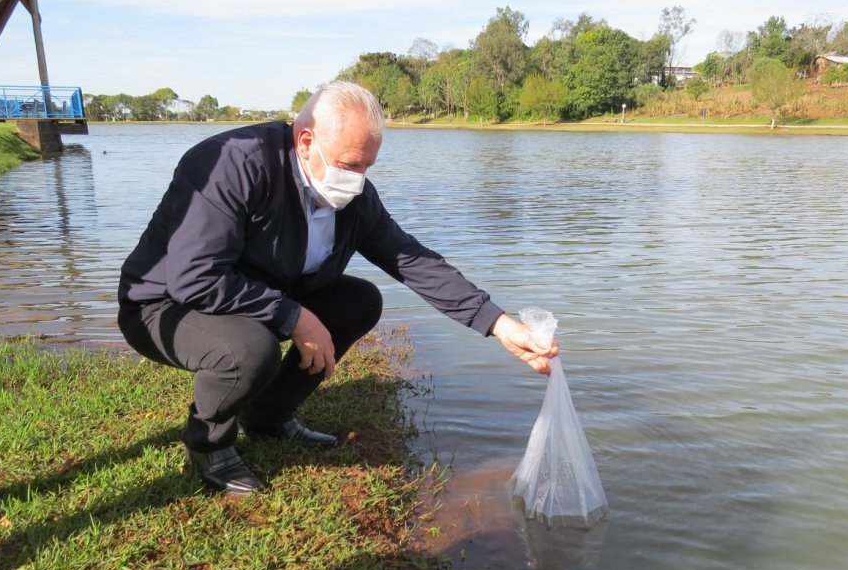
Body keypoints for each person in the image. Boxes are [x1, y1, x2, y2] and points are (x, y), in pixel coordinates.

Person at [117, 81, 557, 495]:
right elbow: (195, 276)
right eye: (350, 164)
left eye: (368, 165)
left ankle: (268, 416)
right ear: (306, 141)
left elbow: (411, 260)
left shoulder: (355, 197)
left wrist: (497, 323)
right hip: (164, 306)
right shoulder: (230, 164)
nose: (359, 178)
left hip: (254, 295)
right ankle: (209, 444)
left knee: (358, 301)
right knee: (249, 350)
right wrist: (294, 317)